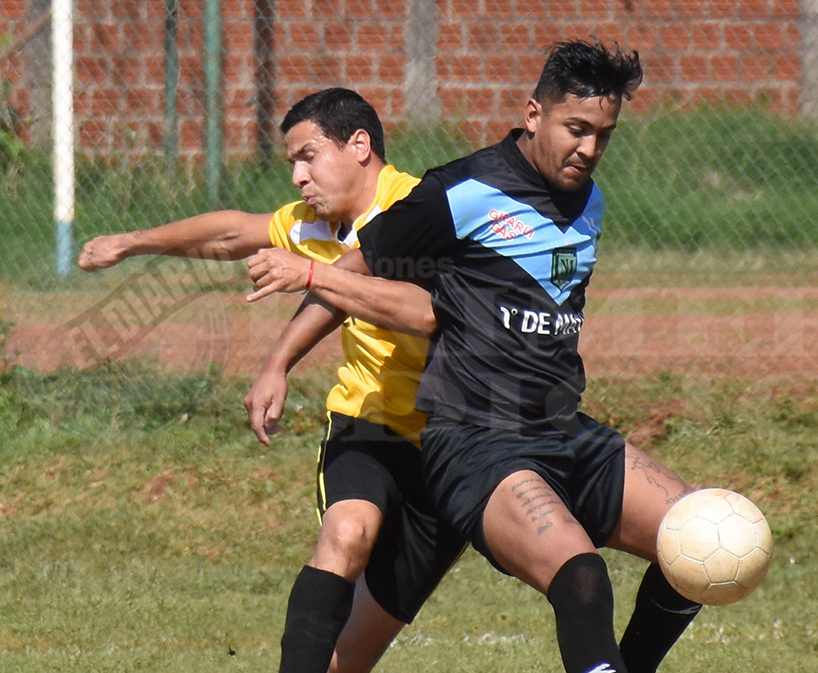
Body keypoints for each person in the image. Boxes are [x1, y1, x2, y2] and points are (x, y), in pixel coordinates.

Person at [246, 40, 703, 673]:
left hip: (560, 426)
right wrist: (280, 360)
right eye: (576, 129)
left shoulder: (589, 201)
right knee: (582, 578)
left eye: (603, 135)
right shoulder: (463, 190)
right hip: (477, 439)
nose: (589, 149)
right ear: (533, 114)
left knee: (705, 537)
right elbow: (356, 266)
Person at [78, 87, 467, 673]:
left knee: (346, 662)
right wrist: (131, 243)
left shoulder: (421, 209)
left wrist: (293, 325)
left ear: (359, 146)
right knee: (347, 532)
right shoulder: (315, 224)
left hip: (454, 440)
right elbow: (231, 233)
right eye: (292, 162)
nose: (297, 176)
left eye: (308, 156)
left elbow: (411, 304)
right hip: (369, 422)